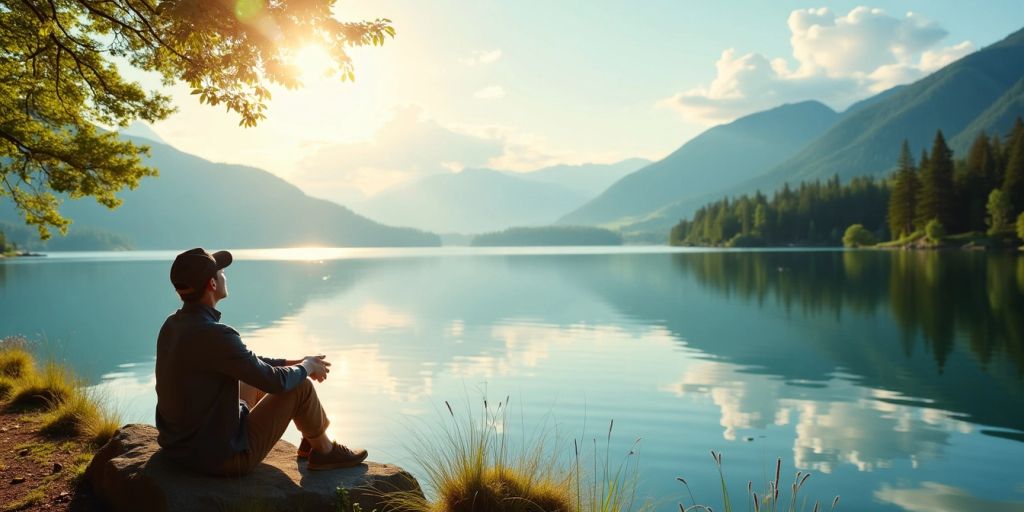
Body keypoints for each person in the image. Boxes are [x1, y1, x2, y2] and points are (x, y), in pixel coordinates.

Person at [155, 247, 367, 476]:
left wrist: (294, 361)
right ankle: (324, 451)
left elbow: (247, 363)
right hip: (221, 459)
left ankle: (311, 436)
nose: (225, 274)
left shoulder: (172, 325)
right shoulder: (216, 335)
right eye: (221, 271)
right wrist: (306, 368)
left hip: (180, 447)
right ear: (212, 284)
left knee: (252, 381)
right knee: (301, 387)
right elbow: (273, 382)